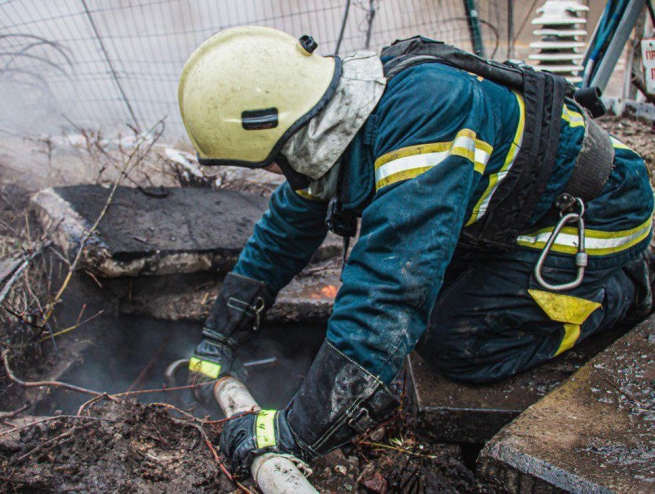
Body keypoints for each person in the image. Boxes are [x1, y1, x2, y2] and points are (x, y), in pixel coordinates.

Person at [177, 26, 654, 474]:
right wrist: (219, 338)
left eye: (272, 160)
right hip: (513, 215)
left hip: (596, 215)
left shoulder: (424, 113)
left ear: (284, 131)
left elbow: (390, 293)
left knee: (457, 343)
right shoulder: (334, 115)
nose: (279, 172)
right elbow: (283, 232)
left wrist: (293, 433)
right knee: (425, 317)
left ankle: (626, 288)